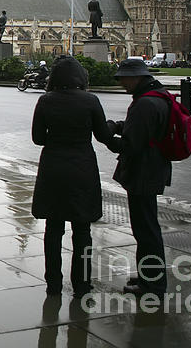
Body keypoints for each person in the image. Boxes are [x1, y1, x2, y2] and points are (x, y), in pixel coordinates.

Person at [30, 56, 111, 296]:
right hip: (82, 167)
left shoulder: (45, 101)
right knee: (82, 230)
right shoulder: (91, 101)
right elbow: (104, 136)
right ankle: (82, 284)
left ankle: (53, 282)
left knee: (53, 229)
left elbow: (38, 138)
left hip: (53, 167)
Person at [105, 59, 172, 300]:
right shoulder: (157, 96)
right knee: (147, 227)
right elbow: (141, 130)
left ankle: (153, 285)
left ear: (136, 77)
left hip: (143, 171)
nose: (122, 83)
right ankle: (148, 275)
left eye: (124, 78)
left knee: (146, 231)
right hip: (153, 168)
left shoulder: (144, 104)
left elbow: (132, 145)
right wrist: (119, 125)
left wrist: (106, 137)